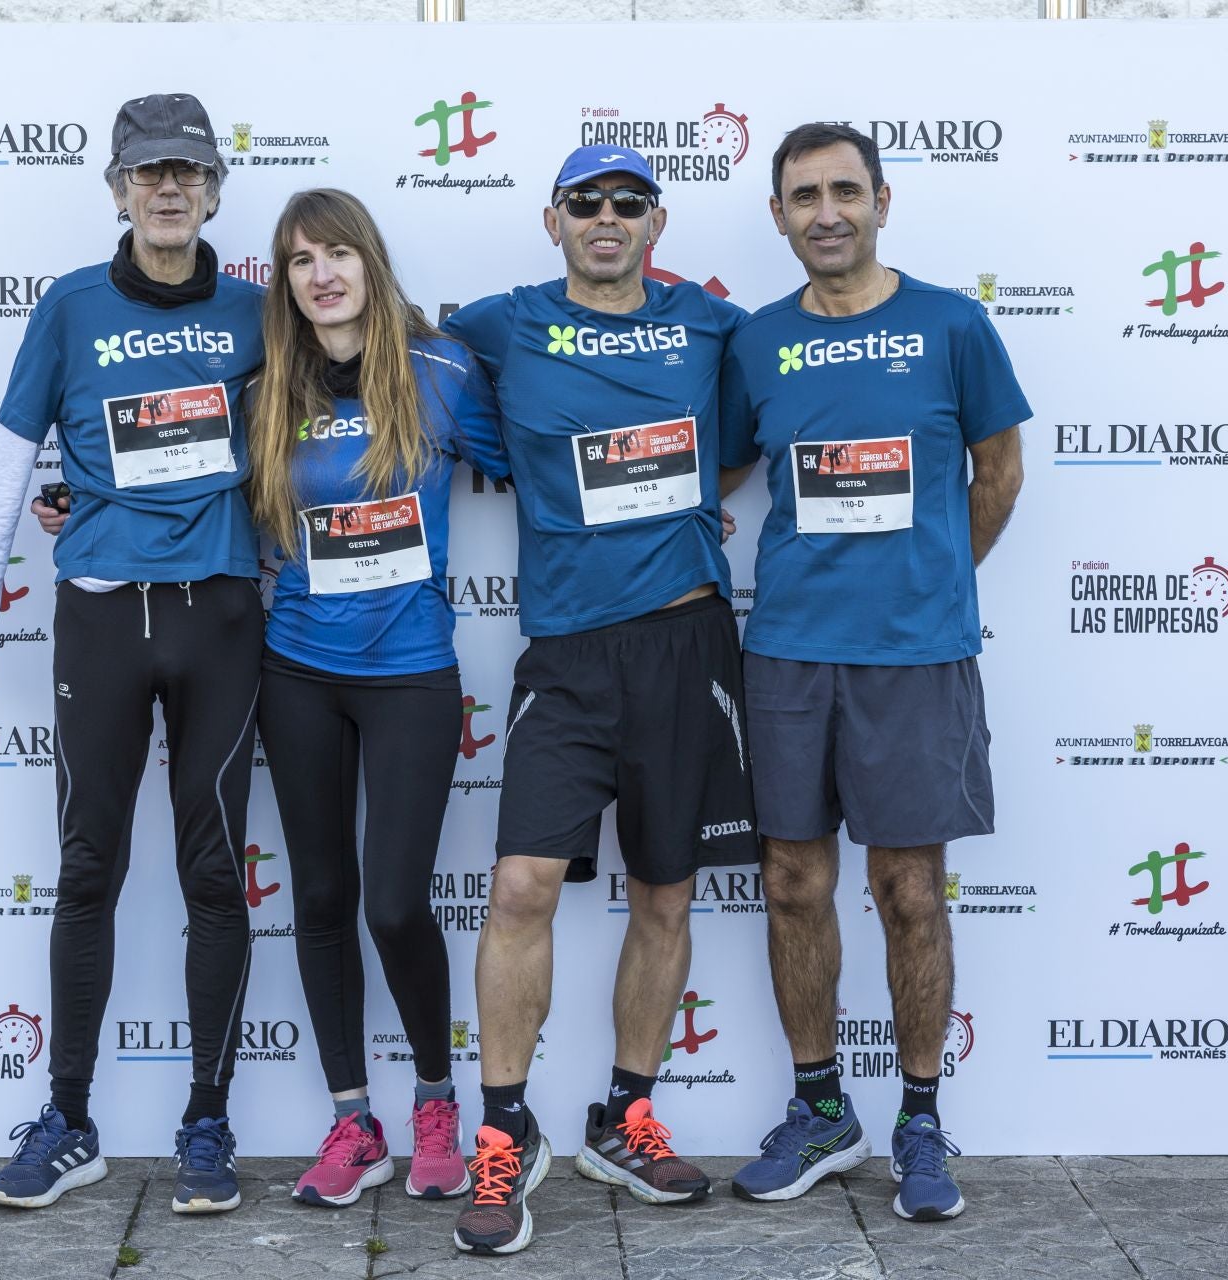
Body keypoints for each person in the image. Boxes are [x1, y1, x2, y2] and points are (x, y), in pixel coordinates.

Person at [0, 92, 266, 1216]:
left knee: (215, 871)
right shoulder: (70, 306)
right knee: (88, 868)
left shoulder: (252, 310)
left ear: (216, 187)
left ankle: (207, 1121)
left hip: (220, 610)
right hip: (99, 614)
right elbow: (6, 458)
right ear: (119, 189)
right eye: (147, 172)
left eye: (187, 171)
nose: (168, 188)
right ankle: (67, 1118)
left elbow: (327, 431)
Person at [438, 147, 760, 1255]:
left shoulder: (713, 325)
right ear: (553, 218)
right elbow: (377, 361)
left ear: (656, 221)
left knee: (665, 892)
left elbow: (755, 434)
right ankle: (501, 1129)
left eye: (628, 203)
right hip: (567, 654)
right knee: (522, 884)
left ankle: (623, 1114)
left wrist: (668, 500)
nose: (608, 217)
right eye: (588, 203)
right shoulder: (497, 322)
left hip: (687, 639)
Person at [720, 122, 1028, 1223]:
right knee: (795, 882)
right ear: (779, 216)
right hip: (791, 651)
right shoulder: (755, 343)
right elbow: (720, 469)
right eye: (804, 195)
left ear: (883, 200)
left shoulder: (953, 323)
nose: (827, 211)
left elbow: (999, 471)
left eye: (846, 189)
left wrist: (935, 579)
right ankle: (819, 1108)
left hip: (915, 656)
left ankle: (920, 1117)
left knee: (909, 892)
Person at [242, 188, 511, 1208]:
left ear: (371, 261)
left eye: (338, 252)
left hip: (410, 673)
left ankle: (437, 1103)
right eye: (300, 258)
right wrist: (69, 495)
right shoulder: (267, 384)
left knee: (395, 897)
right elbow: (184, 490)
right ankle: (355, 1121)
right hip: (297, 669)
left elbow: (536, 462)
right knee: (319, 895)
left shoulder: (440, 370)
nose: (321, 273)